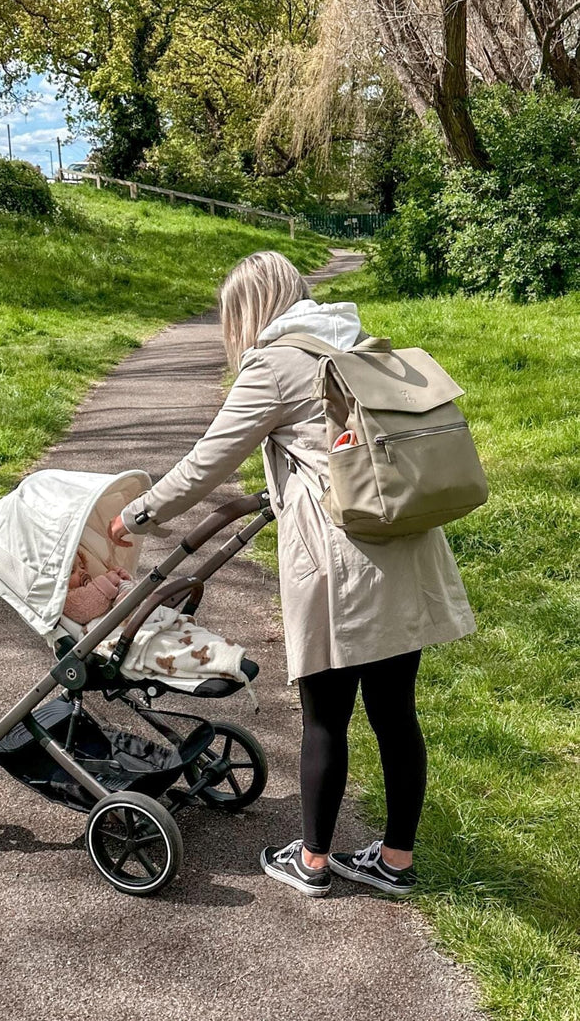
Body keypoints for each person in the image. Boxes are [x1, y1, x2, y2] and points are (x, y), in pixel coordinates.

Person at [109, 251, 476, 899]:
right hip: (405, 546)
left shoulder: (275, 363)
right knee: (395, 714)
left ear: (247, 311)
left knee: (324, 718)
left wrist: (136, 514)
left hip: (342, 566)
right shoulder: (357, 343)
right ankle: (395, 861)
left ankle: (310, 862)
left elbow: (206, 463)